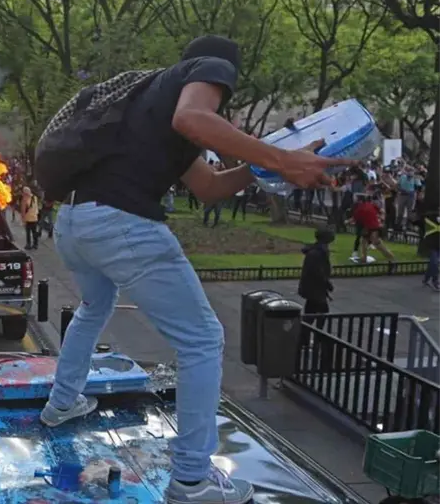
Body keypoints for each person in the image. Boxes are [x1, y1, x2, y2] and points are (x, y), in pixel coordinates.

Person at [40, 34, 350, 504]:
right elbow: (194, 116)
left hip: (74, 223)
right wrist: (281, 157)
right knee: (203, 340)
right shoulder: (207, 69)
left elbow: (209, 188)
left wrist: (270, 164)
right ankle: (190, 480)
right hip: (121, 223)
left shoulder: (144, 108)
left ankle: (61, 404)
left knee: (94, 304)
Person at [298, 226, 335, 324]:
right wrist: (327, 284)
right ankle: (315, 336)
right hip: (314, 288)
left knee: (312, 311)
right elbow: (318, 272)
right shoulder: (317, 253)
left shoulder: (319, 250)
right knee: (319, 312)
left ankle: (307, 335)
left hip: (315, 288)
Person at [352, 192, 396, 265]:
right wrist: (381, 219)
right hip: (373, 226)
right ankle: (364, 258)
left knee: (377, 244)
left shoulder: (359, 209)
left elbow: (355, 219)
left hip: (372, 227)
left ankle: (391, 258)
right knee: (364, 241)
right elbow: (382, 211)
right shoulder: (371, 205)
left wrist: (347, 221)